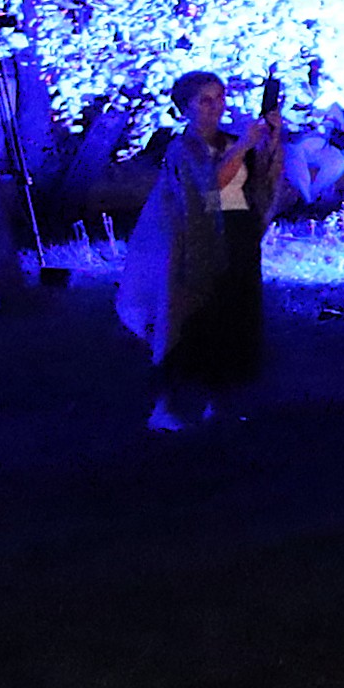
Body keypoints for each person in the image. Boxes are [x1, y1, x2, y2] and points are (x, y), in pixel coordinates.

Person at [120, 71, 279, 433]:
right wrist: (243, 148)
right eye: (205, 100)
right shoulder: (184, 148)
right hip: (192, 244)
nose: (216, 107)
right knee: (183, 323)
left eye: (220, 98)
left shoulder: (228, 140)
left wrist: (271, 138)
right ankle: (165, 406)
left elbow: (258, 179)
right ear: (186, 107)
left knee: (226, 322)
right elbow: (208, 187)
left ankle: (215, 400)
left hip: (233, 238)